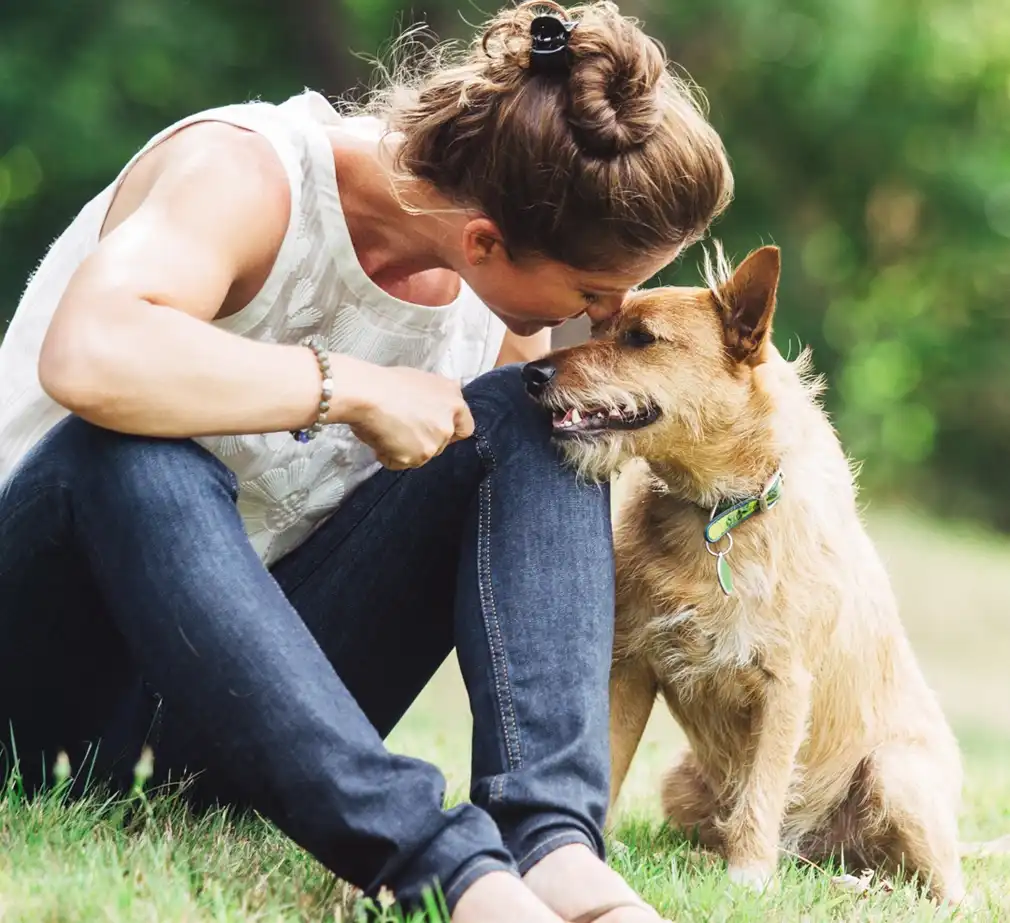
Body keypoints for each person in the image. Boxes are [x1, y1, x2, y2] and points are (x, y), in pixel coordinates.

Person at [0, 1, 731, 920]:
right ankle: (454, 875)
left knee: (537, 413)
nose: (603, 317)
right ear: (483, 241)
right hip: (46, 681)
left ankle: (551, 845)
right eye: (594, 292)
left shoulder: (495, 312)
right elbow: (90, 353)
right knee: (130, 450)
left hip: (237, 725)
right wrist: (346, 385)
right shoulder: (246, 173)